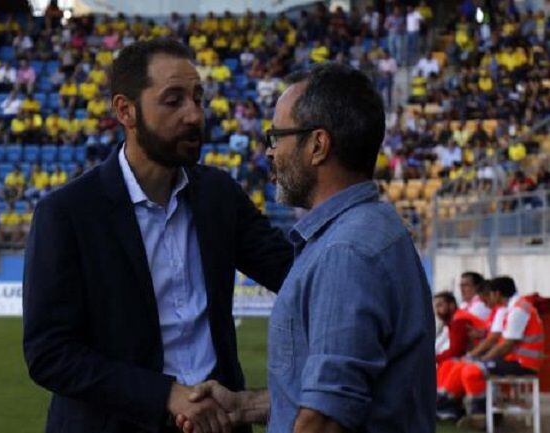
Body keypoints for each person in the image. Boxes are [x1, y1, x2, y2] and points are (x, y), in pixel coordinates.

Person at [22, 39, 293, 433]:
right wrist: (165, 395)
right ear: (125, 110)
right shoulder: (67, 213)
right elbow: (49, 353)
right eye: (173, 100)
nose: (194, 114)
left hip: (220, 424)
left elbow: (295, 273)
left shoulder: (219, 195)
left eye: (198, 98)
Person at [179, 63, 435, 433]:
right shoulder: (368, 231)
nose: (269, 153)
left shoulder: (345, 252)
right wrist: (244, 406)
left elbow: (325, 418)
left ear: (317, 145)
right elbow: (345, 393)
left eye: (276, 136)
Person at [437, 277, 544, 427]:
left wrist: (482, 359)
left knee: (472, 370)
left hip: (523, 364)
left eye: (490, 294)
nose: (486, 300)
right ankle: (448, 407)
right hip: (515, 360)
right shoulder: (513, 308)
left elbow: (506, 344)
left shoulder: (518, 310)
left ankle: (481, 415)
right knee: (462, 366)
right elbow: (501, 341)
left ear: (497, 294)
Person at [433, 291, 488, 365]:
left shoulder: (459, 320)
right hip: (479, 353)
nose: (437, 311)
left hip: (484, 354)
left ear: (451, 305)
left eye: (440, 305)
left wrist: (433, 359)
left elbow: (456, 351)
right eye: (436, 307)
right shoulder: (455, 319)